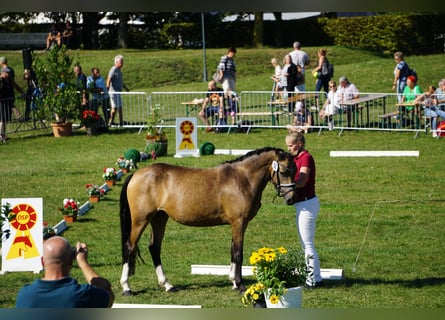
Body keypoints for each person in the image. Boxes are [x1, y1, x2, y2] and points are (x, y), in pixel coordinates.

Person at [16, 236, 114, 307]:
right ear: (71, 261)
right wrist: (83, 263)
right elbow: (107, 293)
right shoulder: (82, 294)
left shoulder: (24, 295)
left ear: (42, 262)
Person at [285, 131, 322, 288]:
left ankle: (312, 280)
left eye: (291, 146)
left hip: (307, 204)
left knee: (307, 244)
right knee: (305, 244)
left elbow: (302, 180)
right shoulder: (293, 158)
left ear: (299, 144)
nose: (289, 149)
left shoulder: (306, 157)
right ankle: (315, 277)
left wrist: (287, 182)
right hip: (301, 204)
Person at [107, 54, 129, 127]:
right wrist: (107, 88)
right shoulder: (113, 69)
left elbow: (120, 81)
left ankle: (121, 122)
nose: (122, 63)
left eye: (122, 61)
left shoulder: (119, 71)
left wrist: (126, 88)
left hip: (118, 91)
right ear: (116, 62)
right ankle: (110, 122)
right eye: (121, 62)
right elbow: (109, 79)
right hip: (113, 91)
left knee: (119, 107)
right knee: (114, 107)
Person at [0, 56, 25, 121]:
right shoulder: (11, 70)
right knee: (10, 105)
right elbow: (14, 83)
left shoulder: (3, 71)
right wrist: (20, 90)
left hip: (5, 93)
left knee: (9, 105)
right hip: (11, 92)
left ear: (1, 62)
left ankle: (19, 116)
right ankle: (17, 116)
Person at [0, 67, 15, 142]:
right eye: (7, 73)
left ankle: (3, 134)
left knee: (5, 119)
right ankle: (0, 135)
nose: (8, 74)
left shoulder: (9, 80)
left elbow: (15, 85)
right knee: (2, 119)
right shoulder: (1, 80)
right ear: (3, 73)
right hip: (2, 102)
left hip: (8, 101)